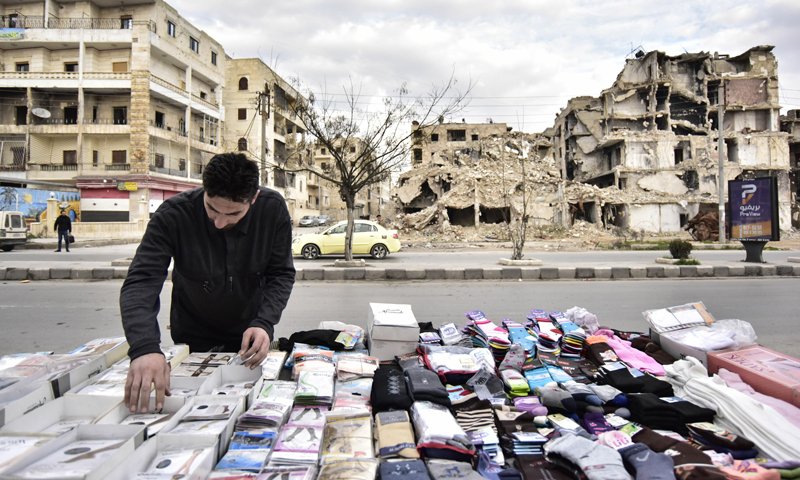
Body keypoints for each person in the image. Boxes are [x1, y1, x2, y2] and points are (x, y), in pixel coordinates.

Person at [120, 152, 295, 413]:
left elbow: (281, 273)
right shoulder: (173, 214)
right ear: (204, 189)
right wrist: (144, 347)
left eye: (234, 214)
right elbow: (142, 280)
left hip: (249, 337)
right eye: (212, 208)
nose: (220, 222)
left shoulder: (272, 210)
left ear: (254, 199)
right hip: (193, 337)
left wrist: (264, 322)